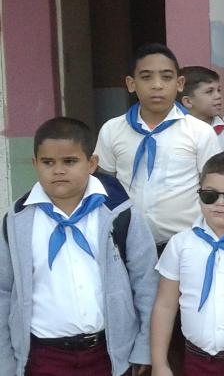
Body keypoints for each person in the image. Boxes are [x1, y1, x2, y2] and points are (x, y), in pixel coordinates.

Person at [0, 117, 158, 376]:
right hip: (42, 356)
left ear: (92, 164)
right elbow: (4, 292)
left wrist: (144, 348)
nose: (58, 170)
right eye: (48, 162)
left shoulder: (119, 213)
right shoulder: (17, 220)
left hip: (108, 354)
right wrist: (5, 362)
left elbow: (146, 282)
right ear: (35, 164)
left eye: (70, 161)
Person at [150, 152, 224, 376]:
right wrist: (159, 363)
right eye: (210, 195)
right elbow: (165, 305)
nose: (220, 203)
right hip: (196, 360)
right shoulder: (181, 243)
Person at [96, 43, 221, 245]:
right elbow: (105, 184)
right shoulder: (112, 130)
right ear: (131, 84)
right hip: (127, 242)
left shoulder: (200, 132)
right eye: (146, 77)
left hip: (184, 242)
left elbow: (214, 187)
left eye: (166, 77)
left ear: (180, 83)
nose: (157, 85)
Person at [180, 66, 224, 150]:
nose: (218, 96)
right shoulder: (175, 133)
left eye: (219, 90)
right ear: (188, 101)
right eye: (209, 91)